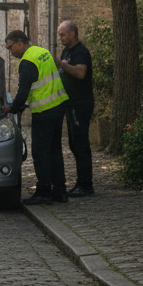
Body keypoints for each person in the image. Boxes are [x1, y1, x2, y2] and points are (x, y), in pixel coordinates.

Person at [3, 29, 69, 205]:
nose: (11, 52)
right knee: (55, 150)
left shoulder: (27, 61)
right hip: (59, 104)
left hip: (44, 110)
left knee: (40, 152)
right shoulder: (43, 52)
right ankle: (60, 192)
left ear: (19, 43)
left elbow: (23, 90)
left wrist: (13, 108)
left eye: (10, 47)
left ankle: (44, 192)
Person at [56, 20, 95, 197]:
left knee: (80, 144)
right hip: (70, 104)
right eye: (59, 35)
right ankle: (81, 182)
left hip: (80, 104)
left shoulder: (81, 52)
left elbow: (80, 73)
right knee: (73, 143)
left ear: (72, 34)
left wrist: (62, 65)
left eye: (63, 34)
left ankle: (86, 185)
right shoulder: (67, 50)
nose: (61, 38)